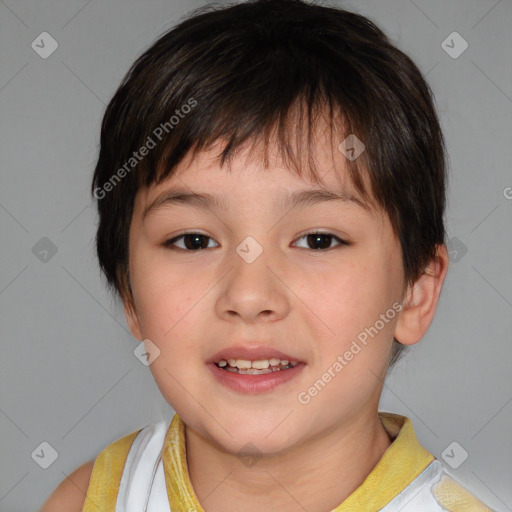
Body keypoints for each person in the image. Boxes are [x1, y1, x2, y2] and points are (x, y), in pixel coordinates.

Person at [41, 0, 497, 510]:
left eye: (318, 240)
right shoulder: (90, 499)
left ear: (416, 292)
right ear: (129, 292)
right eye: (194, 240)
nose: (250, 295)